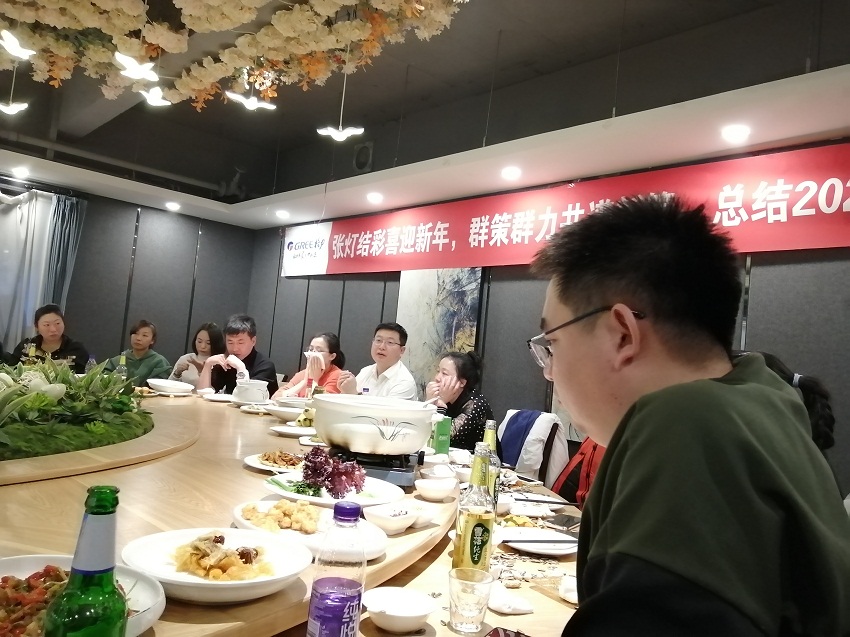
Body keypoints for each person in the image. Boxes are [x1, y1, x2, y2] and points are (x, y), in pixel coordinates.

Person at [529, 193, 850, 636]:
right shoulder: (763, 400)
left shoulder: (687, 425)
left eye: (552, 343)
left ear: (622, 334)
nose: (549, 370)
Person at [426, 351, 493, 451]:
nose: (437, 378)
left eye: (444, 373)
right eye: (438, 371)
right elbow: (423, 433)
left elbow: (443, 437)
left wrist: (440, 404)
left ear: (462, 382)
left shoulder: (475, 404)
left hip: (477, 458)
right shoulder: (447, 397)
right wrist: (429, 402)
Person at [198, 314, 279, 395]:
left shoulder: (265, 366)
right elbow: (203, 393)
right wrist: (208, 365)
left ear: (253, 341)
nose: (235, 349)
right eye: (230, 342)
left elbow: (248, 397)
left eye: (240, 342)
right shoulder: (225, 361)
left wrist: (240, 368)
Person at [337, 322, 418, 400]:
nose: (382, 347)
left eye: (390, 342)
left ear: (401, 350)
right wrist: (344, 389)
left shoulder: (404, 382)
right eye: (378, 340)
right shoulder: (365, 371)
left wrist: (352, 394)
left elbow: (384, 410)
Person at [10, 304, 89, 373]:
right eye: (46, 325)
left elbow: (82, 377)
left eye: (57, 323)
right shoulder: (26, 346)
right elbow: (12, 371)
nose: (53, 329)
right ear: (37, 327)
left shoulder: (76, 349)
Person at [272, 332, 344, 398]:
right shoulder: (303, 374)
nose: (313, 353)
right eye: (311, 349)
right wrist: (304, 382)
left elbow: (322, 402)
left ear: (332, 356)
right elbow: (275, 397)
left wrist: (314, 381)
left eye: (319, 350)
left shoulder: (338, 376)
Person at [104, 319, 171, 385]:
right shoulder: (117, 360)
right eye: (135, 333)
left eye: (144, 335)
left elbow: (159, 385)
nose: (138, 338)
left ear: (152, 340)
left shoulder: (159, 362)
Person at [169, 323, 226, 389]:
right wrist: (177, 374)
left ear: (217, 343)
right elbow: (168, 385)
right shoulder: (186, 358)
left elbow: (217, 391)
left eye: (208, 343)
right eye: (199, 341)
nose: (203, 346)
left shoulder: (220, 363)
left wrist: (202, 372)